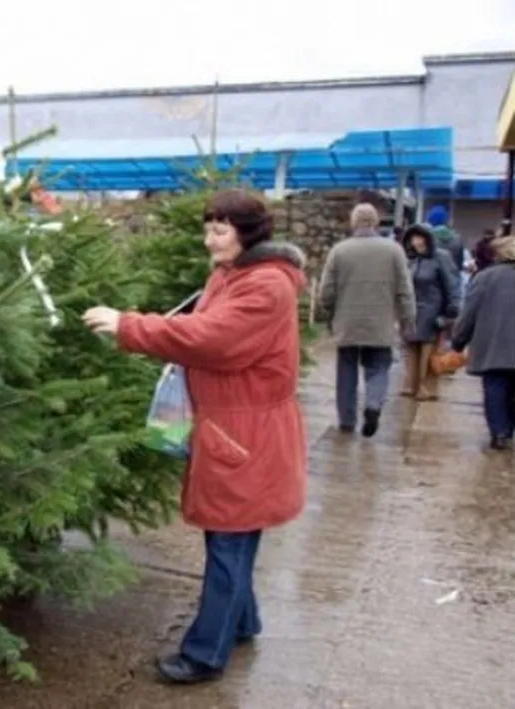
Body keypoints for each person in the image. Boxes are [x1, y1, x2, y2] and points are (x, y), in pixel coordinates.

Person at [82, 189, 307, 686]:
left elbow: (210, 339)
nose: (209, 241)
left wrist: (129, 326)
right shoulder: (231, 274)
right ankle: (242, 623)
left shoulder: (266, 286)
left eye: (219, 230)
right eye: (207, 229)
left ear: (248, 233)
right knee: (232, 534)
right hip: (230, 427)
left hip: (248, 433)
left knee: (230, 538)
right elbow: (199, 323)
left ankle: (205, 654)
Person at [316, 203, 415, 437]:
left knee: (346, 372)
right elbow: (404, 289)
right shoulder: (393, 251)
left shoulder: (339, 251)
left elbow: (326, 291)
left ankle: (347, 420)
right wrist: (407, 318)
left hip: (347, 323)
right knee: (379, 368)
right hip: (381, 323)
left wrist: (329, 312)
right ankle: (373, 405)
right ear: (376, 223)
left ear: (353, 222)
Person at [451, 235, 515, 450]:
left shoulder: (485, 278)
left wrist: (458, 340)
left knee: (495, 388)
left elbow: (469, 313)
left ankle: (499, 432)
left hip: (493, 346)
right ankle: (508, 427)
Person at [399, 224, 460, 401]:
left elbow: (452, 285)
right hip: (412, 311)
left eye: (419, 237)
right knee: (410, 348)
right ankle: (411, 384)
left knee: (429, 351)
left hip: (432, 312)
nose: (416, 242)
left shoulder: (441, 258)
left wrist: (451, 311)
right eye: (412, 238)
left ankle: (426, 387)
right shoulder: (411, 259)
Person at [427, 205, 465, 277]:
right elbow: (460, 264)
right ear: (446, 220)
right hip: (451, 278)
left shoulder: (426, 237)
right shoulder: (457, 238)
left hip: (431, 279)